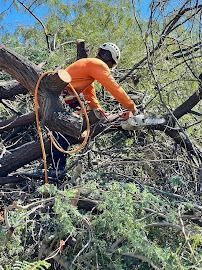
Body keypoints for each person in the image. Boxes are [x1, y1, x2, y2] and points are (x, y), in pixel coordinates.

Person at [50, 42, 137, 175]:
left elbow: (89, 91)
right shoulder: (98, 65)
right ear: (110, 59)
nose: (109, 67)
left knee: (68, 128)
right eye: (111, 65)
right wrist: (132, 107)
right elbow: (114, 88)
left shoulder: (88, 64)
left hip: (61, 95)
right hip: (62, 96)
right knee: (65, 129)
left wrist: (97, 108)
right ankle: (57, 168)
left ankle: (56, 164)